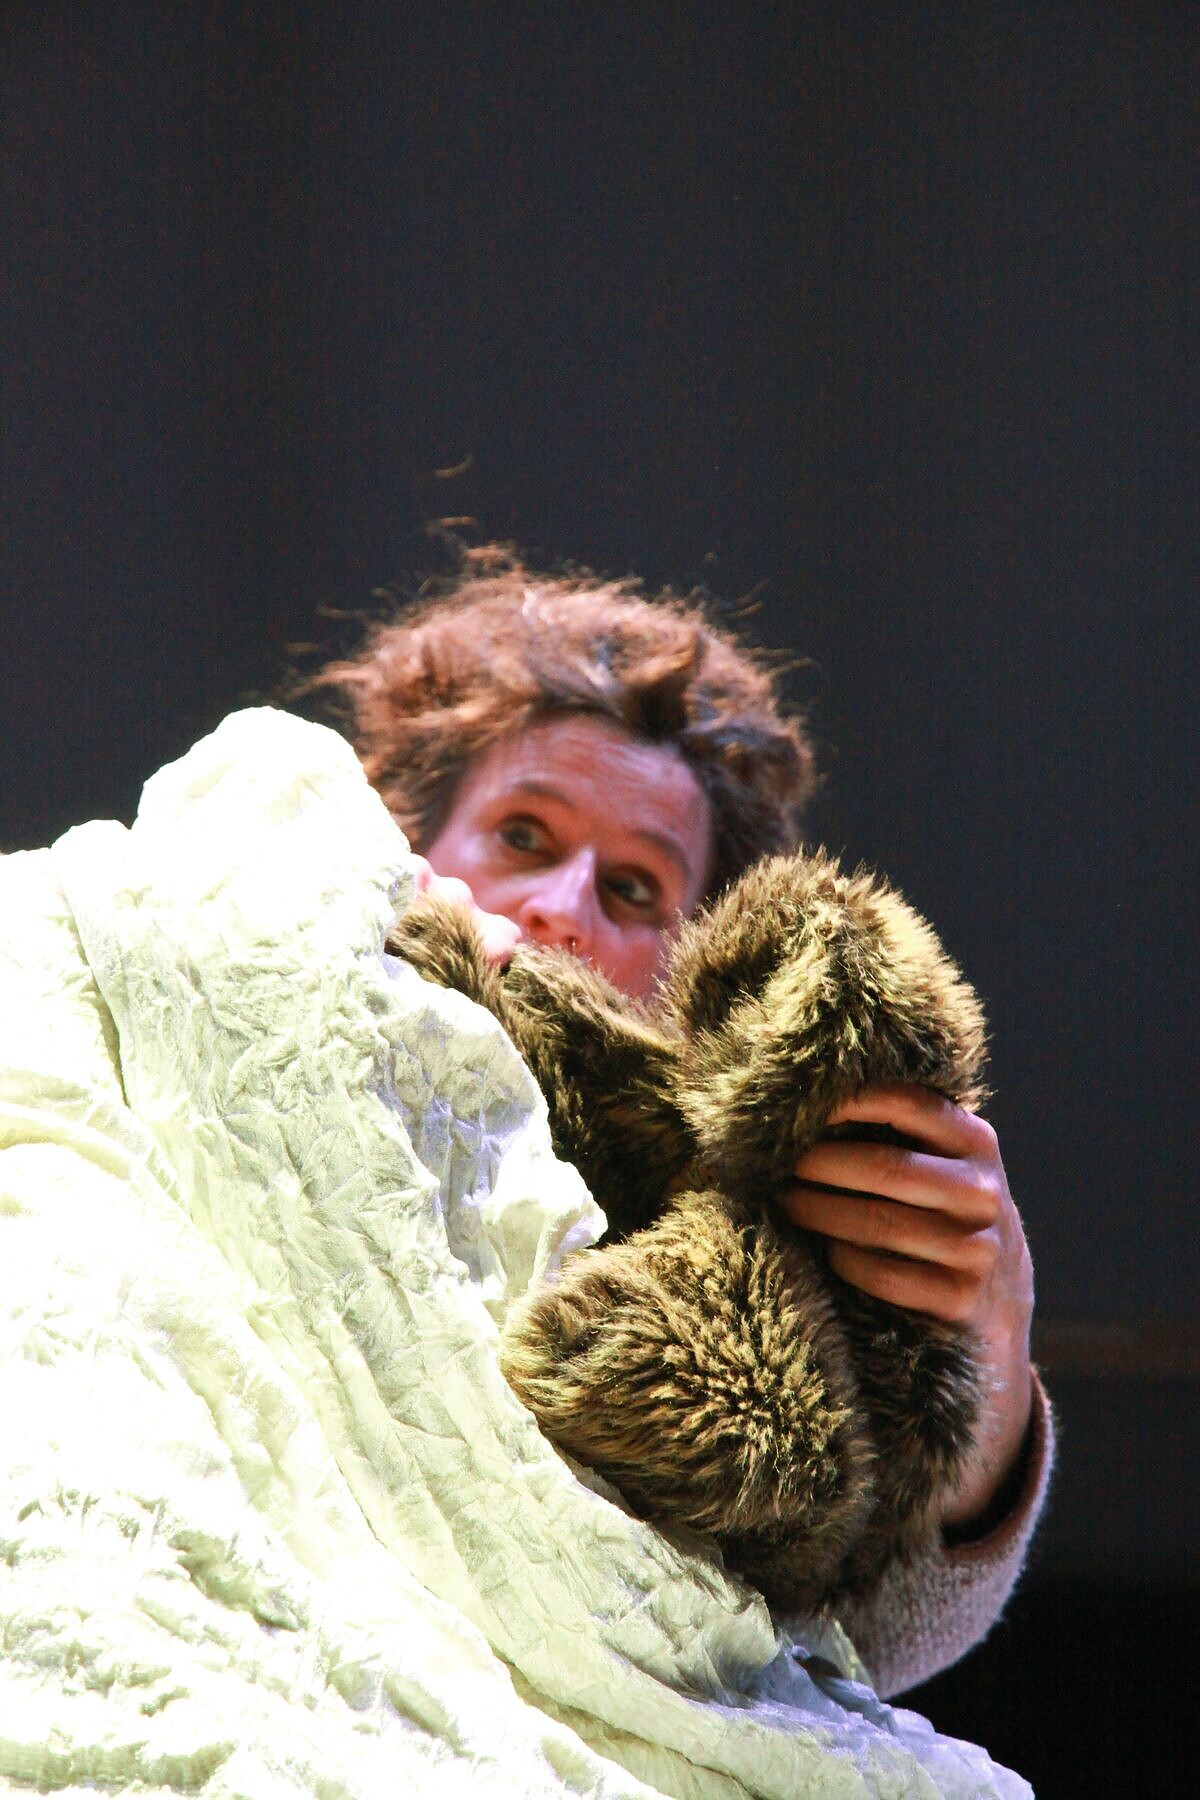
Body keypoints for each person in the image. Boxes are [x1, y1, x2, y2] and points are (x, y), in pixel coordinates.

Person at [307, 541, 1052, 1697]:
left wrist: (984, 1374)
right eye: (524, 836)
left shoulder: (709, 1234)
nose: (561, 910)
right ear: (407, 844)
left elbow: (839, 1657)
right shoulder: (239, 977)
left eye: (633, 889)